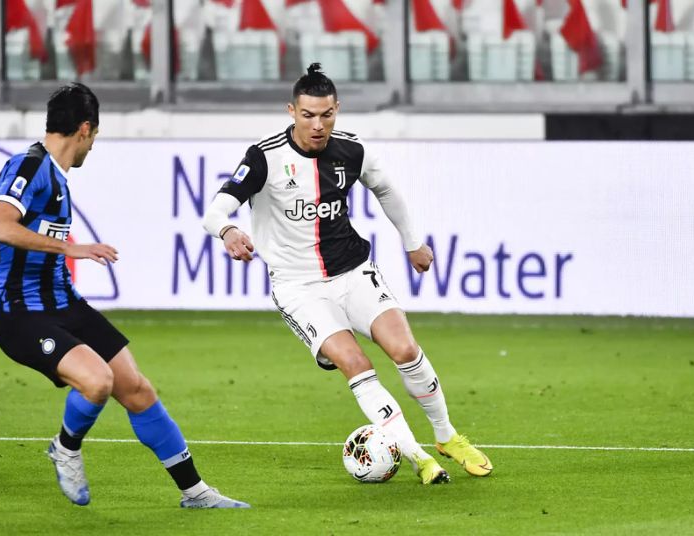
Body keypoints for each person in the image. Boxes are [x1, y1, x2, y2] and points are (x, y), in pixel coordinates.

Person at [202, 64, 492, 485]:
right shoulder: (264, 157)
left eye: (326, 115)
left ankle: (447, 437)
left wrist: (412, 241)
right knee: (355, 362)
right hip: (299, 288)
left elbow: (386, 189)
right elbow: (215, 210)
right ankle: (417, 457)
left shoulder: (351, 151)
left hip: (354, 272)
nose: (317, 126)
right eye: (307, 115)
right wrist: (228, 230)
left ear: (337, 110)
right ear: (291, 111)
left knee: (405, 350)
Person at [0, 82, 248, 508]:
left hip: (63, 303)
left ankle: (196, 493)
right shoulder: (30, 166)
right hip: (24, 316)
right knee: (98, 381)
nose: (92, 147)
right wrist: (63, 252)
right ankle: (65, 447)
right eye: (94, 137)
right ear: (84, 129)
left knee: (136, 387)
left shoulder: (51, 174)